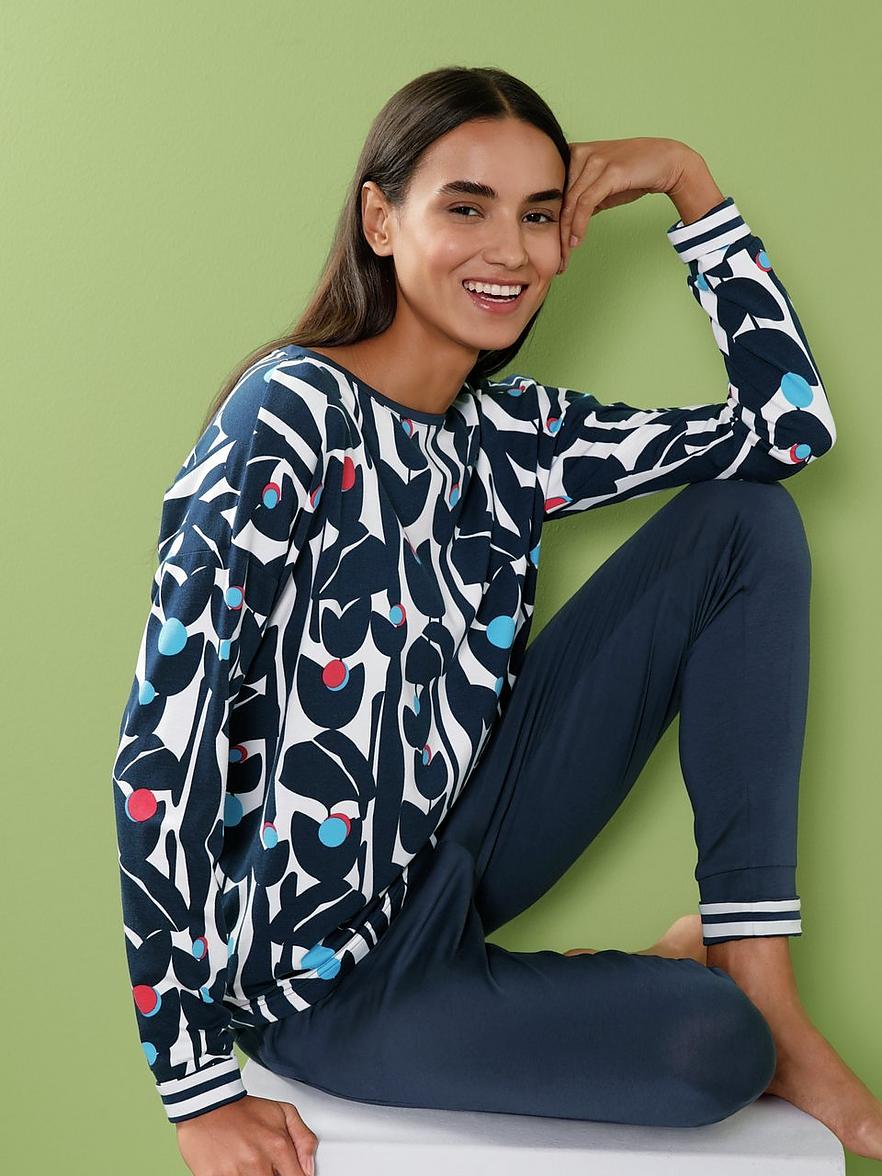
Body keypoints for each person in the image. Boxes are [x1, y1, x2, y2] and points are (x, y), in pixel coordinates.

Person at [110, 65, 882, 1176]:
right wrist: (194, 1090)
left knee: (743, 524)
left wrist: (687, 181)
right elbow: (160, 749)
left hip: (460, 854)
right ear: (381, 221)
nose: (508, 251)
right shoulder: (287, 417)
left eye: (536, 215)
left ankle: (765, 986)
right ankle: (691, 999)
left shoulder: (510, 438)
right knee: (711, 1054)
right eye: (466, 208)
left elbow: (788, 428)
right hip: (325, 976)